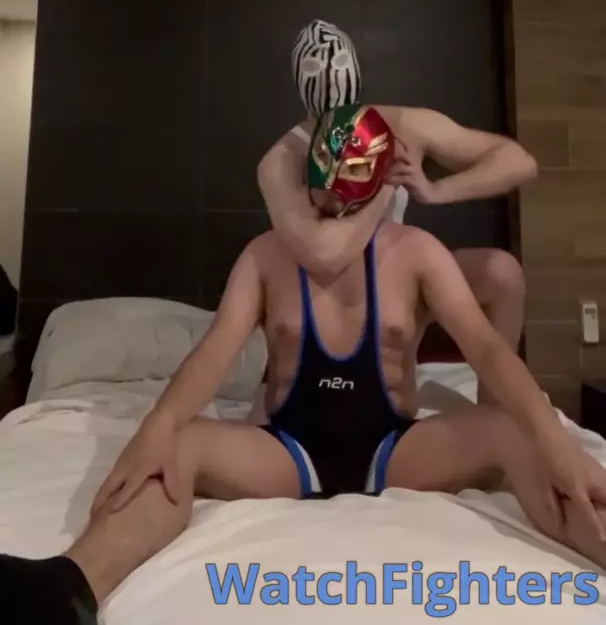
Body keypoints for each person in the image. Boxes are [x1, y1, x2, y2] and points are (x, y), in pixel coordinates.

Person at [1, 104, 605, 624]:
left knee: (519, 435)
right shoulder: (266, 255)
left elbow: (488, 349)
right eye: (322, 193)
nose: (330, 208)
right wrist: (157, 427)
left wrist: (555, 442)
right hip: (289, 449)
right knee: (175, 448)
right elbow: (216, 349)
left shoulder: (417, 254)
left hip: (394, 448)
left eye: (346, 197)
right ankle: (69, 586)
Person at [260, 19, 536, 379]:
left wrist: (437, 190)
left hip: (398, 280)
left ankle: (492, 406)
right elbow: (321, 255)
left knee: (502, 273)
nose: (329, 78)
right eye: (313, 68)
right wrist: (386, 186)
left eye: (339, 65)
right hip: (326, 298)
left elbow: (519, 162)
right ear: (300, 79)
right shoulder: (283, 159)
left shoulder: (401, 125)